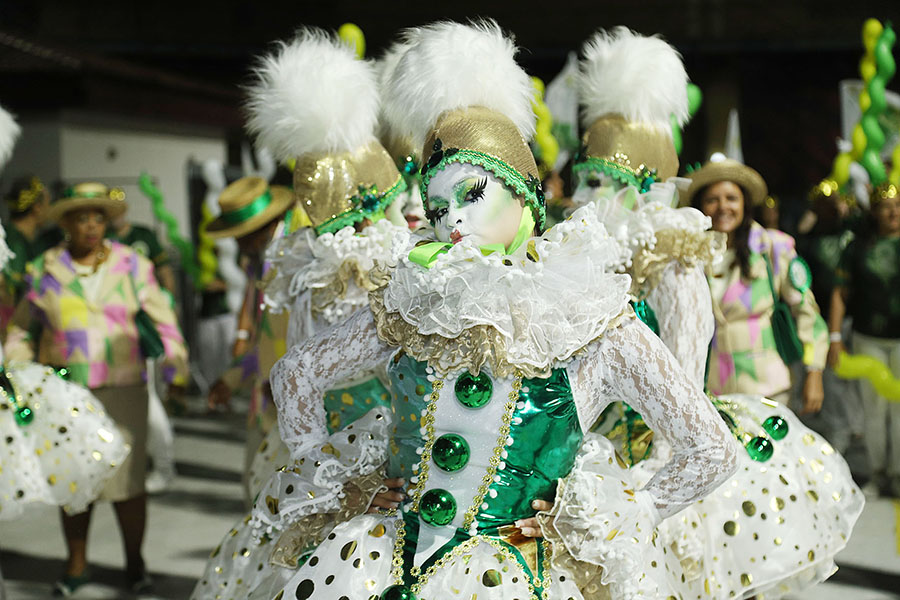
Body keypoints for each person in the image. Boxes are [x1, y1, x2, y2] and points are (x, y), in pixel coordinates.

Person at [194, 22, 738, 600]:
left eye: (472, 193)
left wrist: (607, 517)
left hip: (522, 576)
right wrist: (337, 483)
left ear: (525, 191)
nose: (451, 219)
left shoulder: (593, 316)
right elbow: (296, 373)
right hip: (384, 565)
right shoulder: (409, 303)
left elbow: (711, 450)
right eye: (436, 204)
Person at [571, 28, 862, 598]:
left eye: (598, 182)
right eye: (585, 179)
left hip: (665, 444)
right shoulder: (605, 261)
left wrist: (661, 461)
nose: (582, 197)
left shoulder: (678, 265)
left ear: (644, 188)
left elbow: (680, 366)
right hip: (600, 447)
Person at [4, 182, 189, 595]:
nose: (90, 225)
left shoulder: (132, 265)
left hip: (122, 389)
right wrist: (18, 367)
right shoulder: (44, 269)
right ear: (65, 222)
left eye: (98, 217)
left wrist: (176, 359)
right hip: (65, 392)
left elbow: (164, 319)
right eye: (80, 217)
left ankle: (135, 564)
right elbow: (19, 328)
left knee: (127, 483)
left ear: (107, 222)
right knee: (73, 480)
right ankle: (76, 564)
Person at [687, 158, 828, 412]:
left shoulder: (774, 247)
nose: (722, 207)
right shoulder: (688, 257)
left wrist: (815, 371)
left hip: (768, 388)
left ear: (744, 204)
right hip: (711, 391)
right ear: (700, 207)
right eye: (712, 200)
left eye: (731, 198)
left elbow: (807, 312)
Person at [204, 176, 295, 503]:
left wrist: (287, 379)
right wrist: (232, 377)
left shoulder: (298, 261)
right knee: (256, 492)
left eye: (241, 236)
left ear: (264, 226)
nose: (238, 245)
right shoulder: (260, 263)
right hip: (265, 405)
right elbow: (265, 341)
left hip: (302, 409)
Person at [829, 181, 900, 497]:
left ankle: (898, 473)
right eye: (887, 206)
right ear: (875, 211)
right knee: (873, 409)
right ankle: (877, 473)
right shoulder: (857, 247)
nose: (894, 212)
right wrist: (833, 338)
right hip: (868, 338)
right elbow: (839, 294)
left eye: (898, 205)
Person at [107, 207, 178, 493]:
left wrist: (169, 308)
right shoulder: (99, 249)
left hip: (135, 334)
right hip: (109, 342)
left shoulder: (137, 243)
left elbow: (161, 277)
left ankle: (164, 466)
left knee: (148, 401)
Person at [0, 175, 61, 328]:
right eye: (48, 204)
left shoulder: (23, 240)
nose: (50, 210)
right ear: (37, 207)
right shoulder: (14, 245)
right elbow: (8, 293)